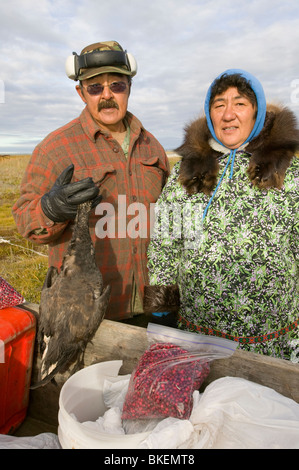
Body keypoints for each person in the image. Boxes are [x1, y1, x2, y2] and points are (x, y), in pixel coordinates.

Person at [144, 69, 299, 361]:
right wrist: (162, 312)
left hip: (271, 344)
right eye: (219, 105)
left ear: (257, 112)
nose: (228, 114)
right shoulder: (186, 172)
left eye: (239, 103)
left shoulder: (288, 174)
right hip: (199, 341)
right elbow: (165, 244)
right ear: (210, 114)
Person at [12, 41, 170, 321]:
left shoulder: (152, 147)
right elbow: (25, 220)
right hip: (87, 314)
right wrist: (50, 210)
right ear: (81, 93)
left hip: (153, 306)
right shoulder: (55, 148)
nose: (107, 95)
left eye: (117, 85)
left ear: (129, 88)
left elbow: (172, 225)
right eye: (95, 87)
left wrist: (168, 303)